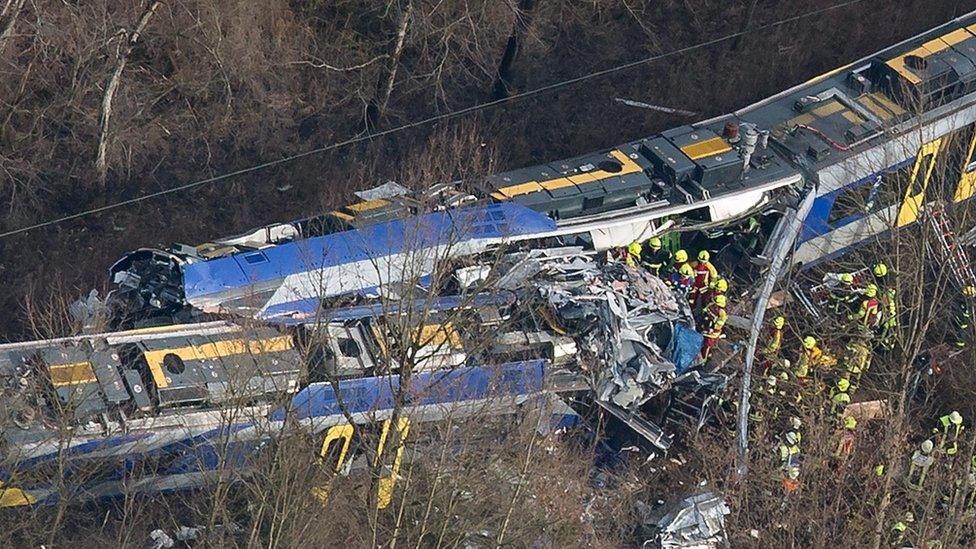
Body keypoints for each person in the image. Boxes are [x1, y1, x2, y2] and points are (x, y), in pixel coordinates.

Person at [873, 262, 898, 348]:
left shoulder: (889, 290)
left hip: (888, 313)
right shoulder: (888, 283)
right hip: (889, 313)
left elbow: (885, 302)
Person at [701, 295, 728, 362]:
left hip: (712, 333)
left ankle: (704, 360)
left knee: (707, 346)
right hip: (705, 328)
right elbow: (705, 310)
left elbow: (719, 324)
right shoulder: (712, 306)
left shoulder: (722, 313)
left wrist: (712, 328)